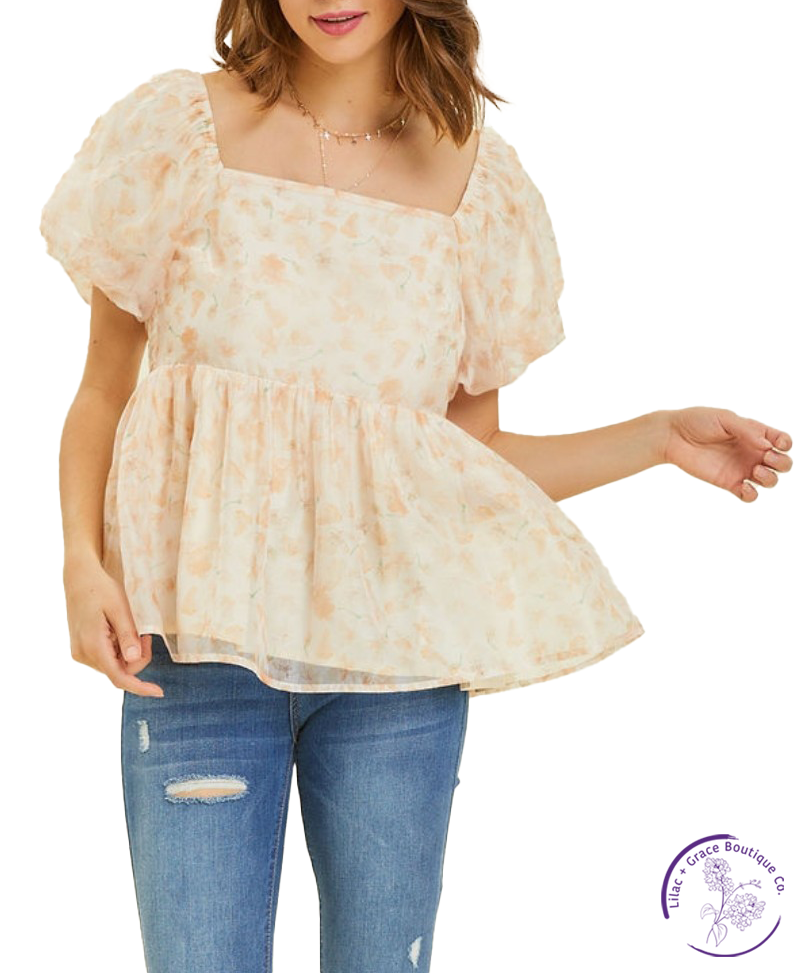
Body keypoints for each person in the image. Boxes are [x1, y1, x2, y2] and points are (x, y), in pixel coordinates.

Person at [39, 3, 792, 972]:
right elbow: (103, 392)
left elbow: (460, 468)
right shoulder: (176, 135)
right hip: (192, 657)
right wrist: (81, 560)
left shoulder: (478, 188)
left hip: (399, 678)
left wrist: (653, 439)